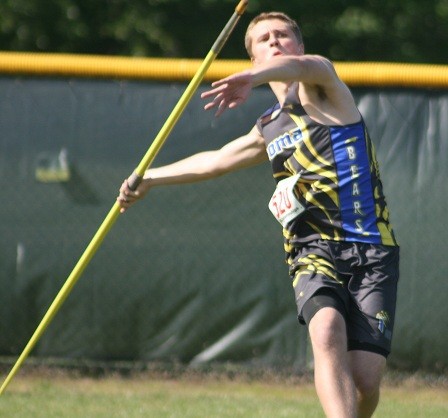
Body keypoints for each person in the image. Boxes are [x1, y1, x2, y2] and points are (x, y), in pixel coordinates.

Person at [118, 12, 399, 418]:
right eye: (263, 39)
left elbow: (300, 68)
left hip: (374, 250)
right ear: (253, 59)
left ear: (298, 45)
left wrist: (254, 78)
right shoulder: (268, 126)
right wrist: (149, 177)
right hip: (311, 247)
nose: (274, 42)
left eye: (282, 35)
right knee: (326, 328)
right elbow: (215, 161)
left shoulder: (322, 85)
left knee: (365, 381)